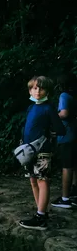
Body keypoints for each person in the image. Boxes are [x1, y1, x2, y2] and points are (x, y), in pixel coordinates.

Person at [17, 76, 65, 230]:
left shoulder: (48, 108)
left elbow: (60, 129)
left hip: (42, 151)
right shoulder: (32, 107)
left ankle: (41, 216)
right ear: (30, 90)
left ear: (47, 91)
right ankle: (40, 211)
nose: (37, 91)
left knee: (42, 180)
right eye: (34, 88)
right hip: (29, 151)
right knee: (33, 180)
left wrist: (49, 134)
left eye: (41, 88)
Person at [51, 74, 77, 208]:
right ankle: (74, 191)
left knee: (67, 167)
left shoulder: (64, 96)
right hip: (74, 133)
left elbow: (64, 113)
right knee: (74, 165)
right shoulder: (73, 96)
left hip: (66, 135)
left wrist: (52, 115)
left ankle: (65, 198)